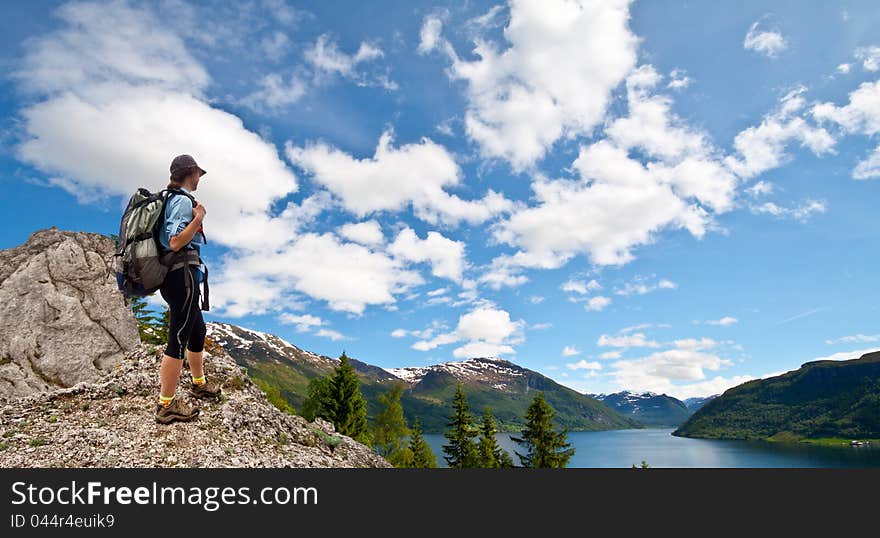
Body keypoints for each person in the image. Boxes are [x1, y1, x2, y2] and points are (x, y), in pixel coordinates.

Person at [155, 154, 222, 424]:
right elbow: (175, 241)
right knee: (179, 339)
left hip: (180, 277)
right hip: (181, 276)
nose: (199, 179)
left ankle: (198, 383)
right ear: (189, 174)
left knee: (198, 331)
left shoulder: (170, 199)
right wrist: (199, 217)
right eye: (197, 174)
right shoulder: (182, 201)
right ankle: (166, 405)